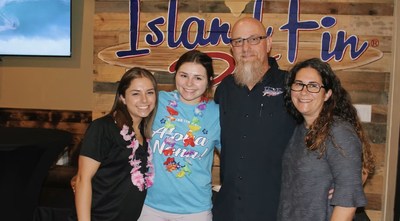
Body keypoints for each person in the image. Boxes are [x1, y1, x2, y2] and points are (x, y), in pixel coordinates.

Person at [212, 17, 296, 221]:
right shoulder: (224, 90)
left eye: (253, 39)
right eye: (238, 41)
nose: (245, 48)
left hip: (275, 209)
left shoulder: (291, 85)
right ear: (232, 48)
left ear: (268, 43)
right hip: (229, 209)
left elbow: (321, 131)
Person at [277, 58, 374, 221]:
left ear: (327, 94)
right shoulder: (300, 129)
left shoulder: (338, 132)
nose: (304, 91)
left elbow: (347, 203)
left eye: (313, 86)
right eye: (298, 84)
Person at [138, 50, 221, 221]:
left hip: (195, 210)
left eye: (198, 78)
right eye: (184, 75)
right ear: (175, 75)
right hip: (151, 206)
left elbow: (234, 157)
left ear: (209, 81)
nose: (189, 83)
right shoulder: (157, 101)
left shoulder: (217, 113)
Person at [69, 67, 158, 221]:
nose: (144, 100)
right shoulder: (103, 128)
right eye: (135, 93)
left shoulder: (144, 132)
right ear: (122, 97)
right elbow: (83, 179)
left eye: (150, 92)